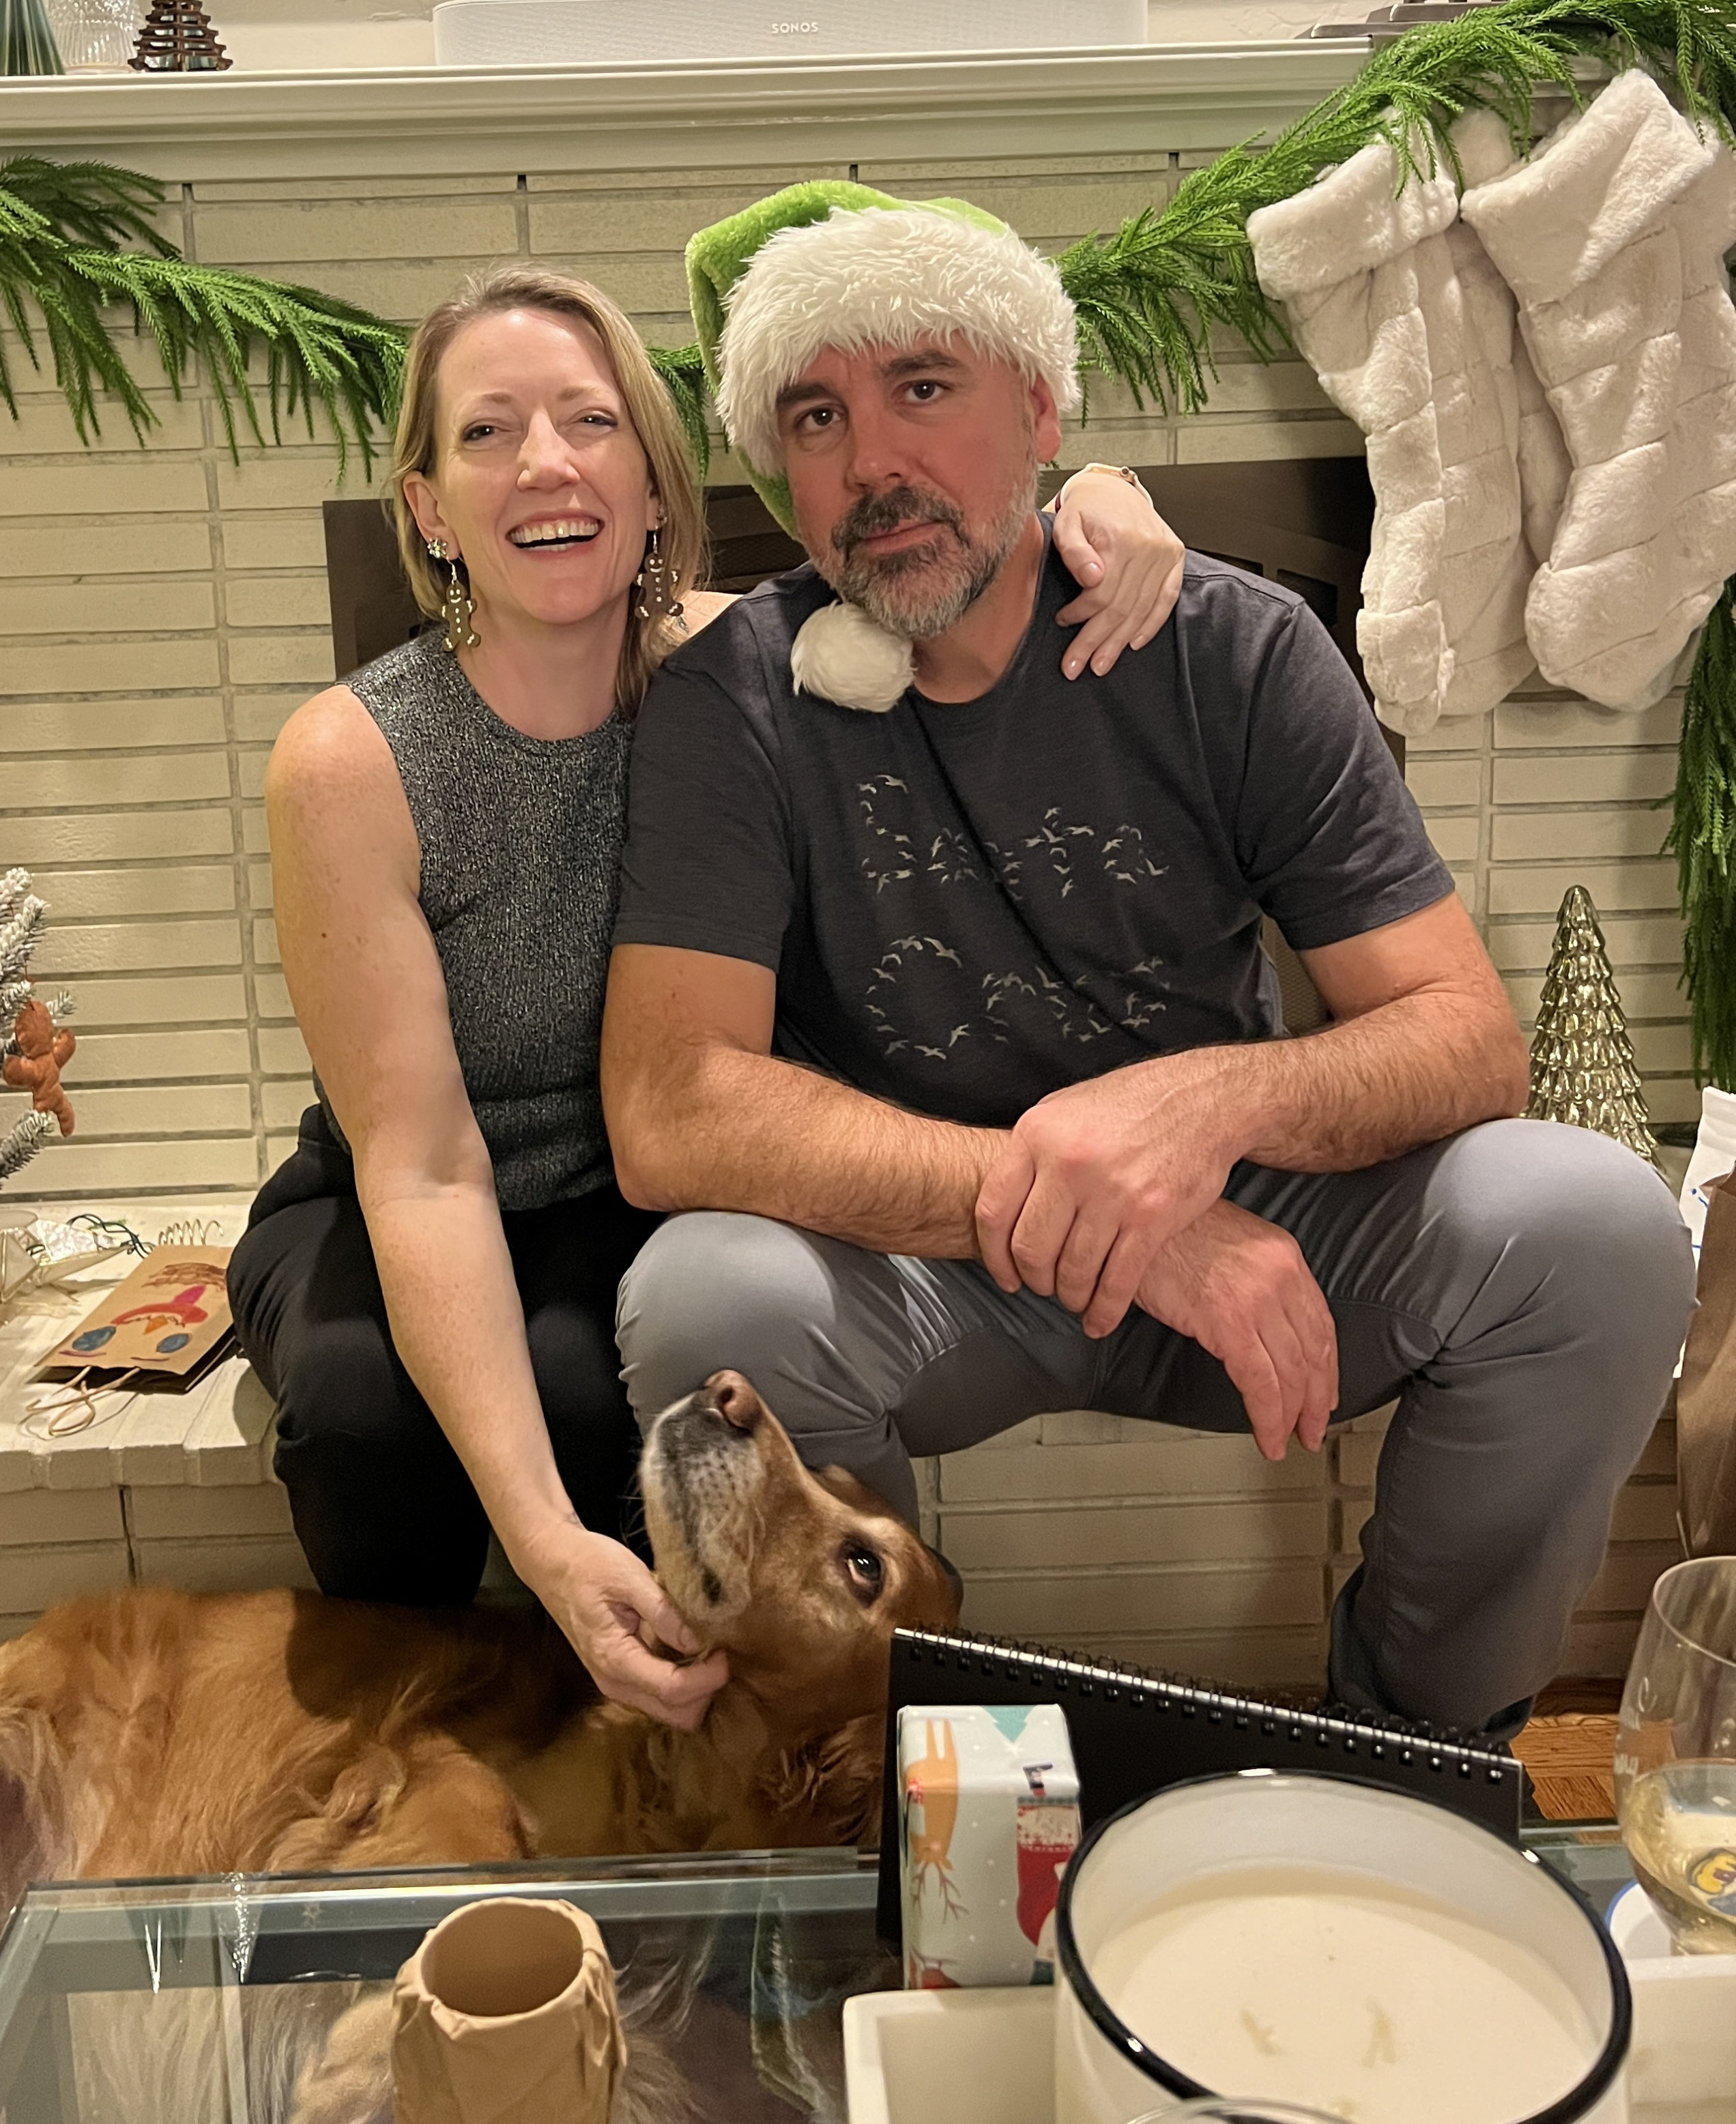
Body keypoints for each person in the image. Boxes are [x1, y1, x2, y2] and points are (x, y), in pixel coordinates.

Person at [602, 185, 1698, 1738]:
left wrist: (1196, 1114)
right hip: (929, 1259)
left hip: (1260, 1222)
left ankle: (1415, 1753)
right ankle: (883, 1780)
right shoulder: (739, 697)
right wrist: (1091, 1208)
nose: (873, 461)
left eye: (924, 385)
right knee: (706, 1293)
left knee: (1595, 1223)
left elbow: (1464, 1037)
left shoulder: (1233, 647)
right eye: (816, 415)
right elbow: (673, 1106)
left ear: (1041, 411)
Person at [229, 261, 1185, 1726]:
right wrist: (541, 1543)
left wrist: (1103, 501)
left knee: (599, 1392)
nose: (545, 463)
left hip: (641, 1183)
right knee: (366, 1423)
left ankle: (652, 1776)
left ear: (652, 476)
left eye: (589, 420)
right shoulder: (353, 758)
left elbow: (953, 556)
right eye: (486, 432)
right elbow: (421, 1162)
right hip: (399, 1186)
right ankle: (419, 1773)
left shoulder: (761, 662)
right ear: (428, 509)